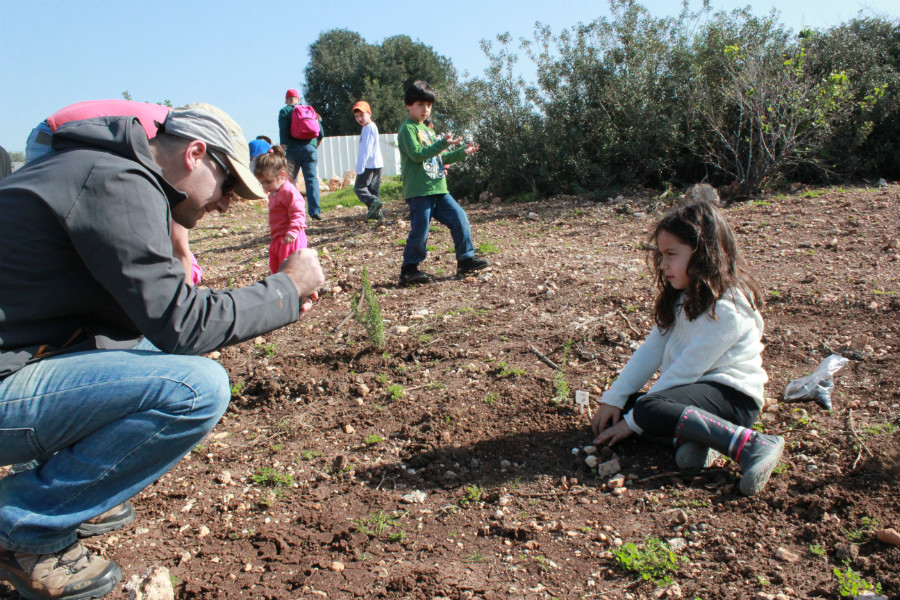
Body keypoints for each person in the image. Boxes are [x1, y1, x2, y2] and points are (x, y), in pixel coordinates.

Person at [0, 103, 325, 600]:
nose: (227, 204)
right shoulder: (116, 185)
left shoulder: (104, 171)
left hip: (17, 360)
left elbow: (145, 320)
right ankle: (22, 525)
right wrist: (285, 289)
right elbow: (183, 324)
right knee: (197, 388)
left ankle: (70, 490)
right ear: (195, 154)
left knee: (150, 348)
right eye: (229, 188)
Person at [590, 200, 783, 497]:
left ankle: (753, 444)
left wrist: (636, 419)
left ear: (702, 253)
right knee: (629, 408)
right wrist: (614, 399)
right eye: (661, 256)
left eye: (671, 255)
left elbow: (685, 371)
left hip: (734, 400)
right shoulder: (682, 297)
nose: (664, 265)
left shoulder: (729, 307)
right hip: (694, 394)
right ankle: (703, 442)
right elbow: (651, 350)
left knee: (645, 410)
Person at [22, 100, 202, 285]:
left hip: (55, 130)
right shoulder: (176, 140)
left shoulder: (176, 128)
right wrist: (185, 302)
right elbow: (179, 248)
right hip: (53, 136)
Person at [396, 81, 489, 287]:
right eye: (420, 104)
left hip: (438, 188)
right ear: (408, 105)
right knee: (421, 230)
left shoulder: (427, 130)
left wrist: (461, 152)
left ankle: (465, 260)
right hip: (420, 191)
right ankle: (409, 269)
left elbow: (439, 157)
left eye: (429, 105)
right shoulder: (407, 130)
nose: (425, 109)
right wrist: (443, 142)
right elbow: (417, 155)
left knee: (459, 217)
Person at [254, 146, 308, 274]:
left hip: (290, 238)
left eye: (268, 182)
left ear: (282, 175)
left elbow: (298, 212)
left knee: (292, 270)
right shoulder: (274, 192)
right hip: (279, 238)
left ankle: (305, 291)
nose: (265, 186)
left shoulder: (288, 191)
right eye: (261, 183)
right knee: (277, 269)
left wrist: (293, 230)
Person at [278, 89, 323, 221]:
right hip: (311, 149)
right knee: (311, 179)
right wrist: (313, 146)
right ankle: (315, 212)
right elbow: (321, 133)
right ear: (298, 99)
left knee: (290, 181)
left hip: (293, 149)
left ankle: (290, 212)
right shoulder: (309, 110)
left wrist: (283, 149)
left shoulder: (285, 111)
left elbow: (283, 133)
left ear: (287, 100)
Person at [352, 101, 384, 221]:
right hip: (377, 163)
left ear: (369, 113)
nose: (359, 118)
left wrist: (360, 166)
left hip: (369, 165)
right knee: (372, 190)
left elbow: (367, 148)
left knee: (359, 188)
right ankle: (377, 214)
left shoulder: (369, 128)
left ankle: (374, 203)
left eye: (362, 115)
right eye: (357, 116)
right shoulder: (368, 128)